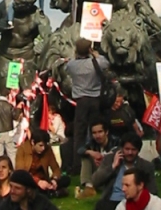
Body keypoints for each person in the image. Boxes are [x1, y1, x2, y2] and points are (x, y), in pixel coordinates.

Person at [63, 38, 109, 174]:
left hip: (81, 102)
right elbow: (106, 63)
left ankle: (78, 164)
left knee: (79, 133)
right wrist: (96, 54)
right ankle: (97, 159)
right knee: (96, 131)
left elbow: (66, 67)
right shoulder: (96, 63)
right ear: (89, 49)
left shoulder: (72, 65)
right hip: (95, 100)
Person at [91, 132, 157, 210]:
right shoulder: (110, 159)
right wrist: (113, 167)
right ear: (121, 149)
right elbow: (95, 181)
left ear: (138, 151)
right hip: (113, 201)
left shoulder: (145, 166)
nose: (130, 153)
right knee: (101, 207)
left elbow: (153, 190)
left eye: (133, 150)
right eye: (127, 149)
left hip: (134, 202)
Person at [15, 129, 70, 196]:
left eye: (44, 145)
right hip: (29, 181)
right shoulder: (22, 149)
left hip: (44, 180)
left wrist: (54, 180)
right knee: (31, 188)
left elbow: (56, 168)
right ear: (33, 142)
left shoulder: (47, 150)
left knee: (66, 179)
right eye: (40, 145)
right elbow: (21, 172)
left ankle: (50, 191)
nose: (43, 148)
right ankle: (52, 193)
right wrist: (38, 181)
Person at [77, 117, 119, 191]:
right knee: (86, 156)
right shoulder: (92, 143)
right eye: (94, 133)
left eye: (100, 132)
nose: (97, 136)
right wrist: (91, 153)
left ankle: (90, 187)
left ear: (106, 132)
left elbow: (118, 152)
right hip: (97, 172)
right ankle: (88, 185)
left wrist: (103, 158)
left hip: (110, 172)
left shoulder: (115, 141)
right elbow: (80, 150)